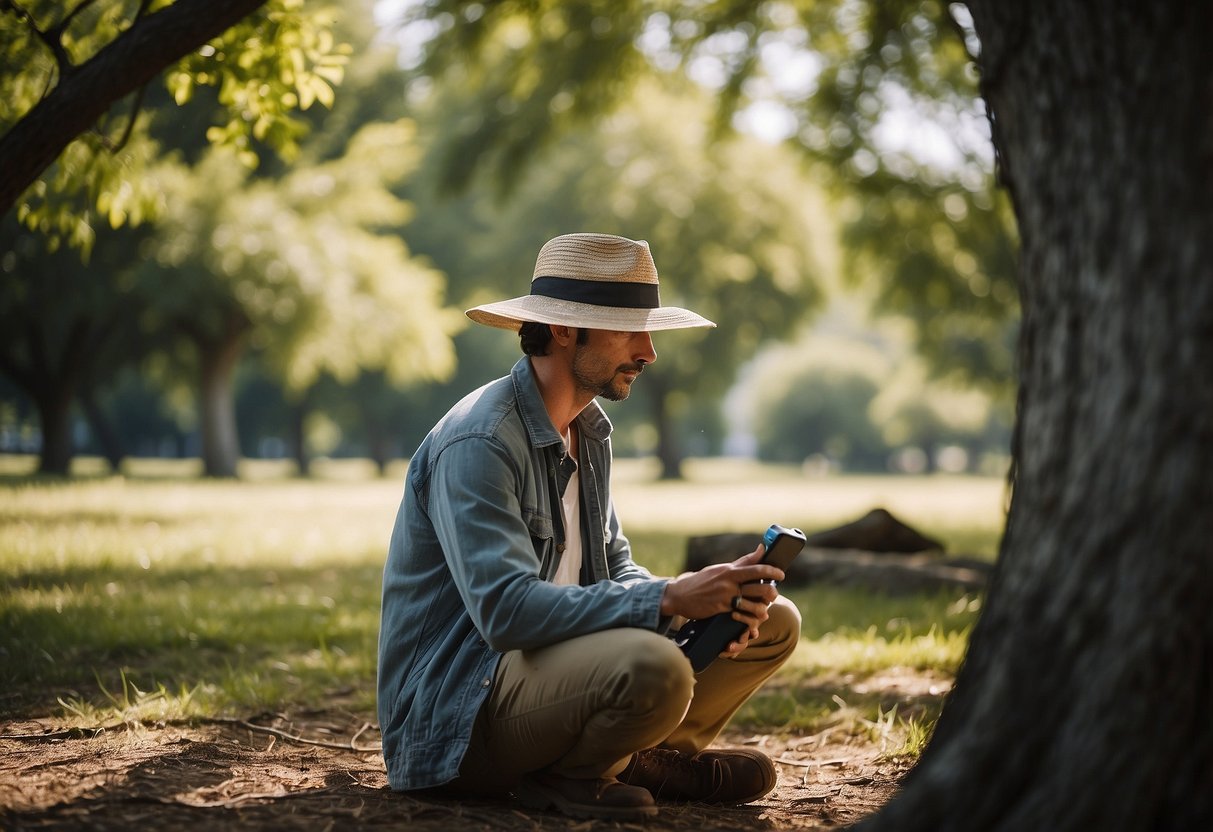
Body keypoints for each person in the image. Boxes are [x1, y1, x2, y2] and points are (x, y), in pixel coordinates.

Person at [377, 232, 801, 820]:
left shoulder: (590, 430)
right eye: (630, 330)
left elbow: (614, 566)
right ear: (563, 330)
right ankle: (576, 776)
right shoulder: (480, 440)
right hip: (458, 719)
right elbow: (505, 613)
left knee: (772, 622)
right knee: (658, 669)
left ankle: (633, 757)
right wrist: (668, 597)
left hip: (548, 679)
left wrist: (699, 598)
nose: (649, 352)